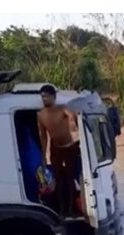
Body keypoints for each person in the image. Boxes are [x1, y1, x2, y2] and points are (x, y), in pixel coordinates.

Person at [37, 84, 79, 218]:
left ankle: (71, 209)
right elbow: (43, 136)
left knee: (71, 178)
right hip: (55, 148)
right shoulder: (40, 114)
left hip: (70, 146)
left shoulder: (63, 110)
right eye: (42, 97)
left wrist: (72, 121)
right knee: (58, 180)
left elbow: (73, 119)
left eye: (47, 97)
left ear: (54, 97)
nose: (44, 99)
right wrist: (43, 156)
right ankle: (61, 210)